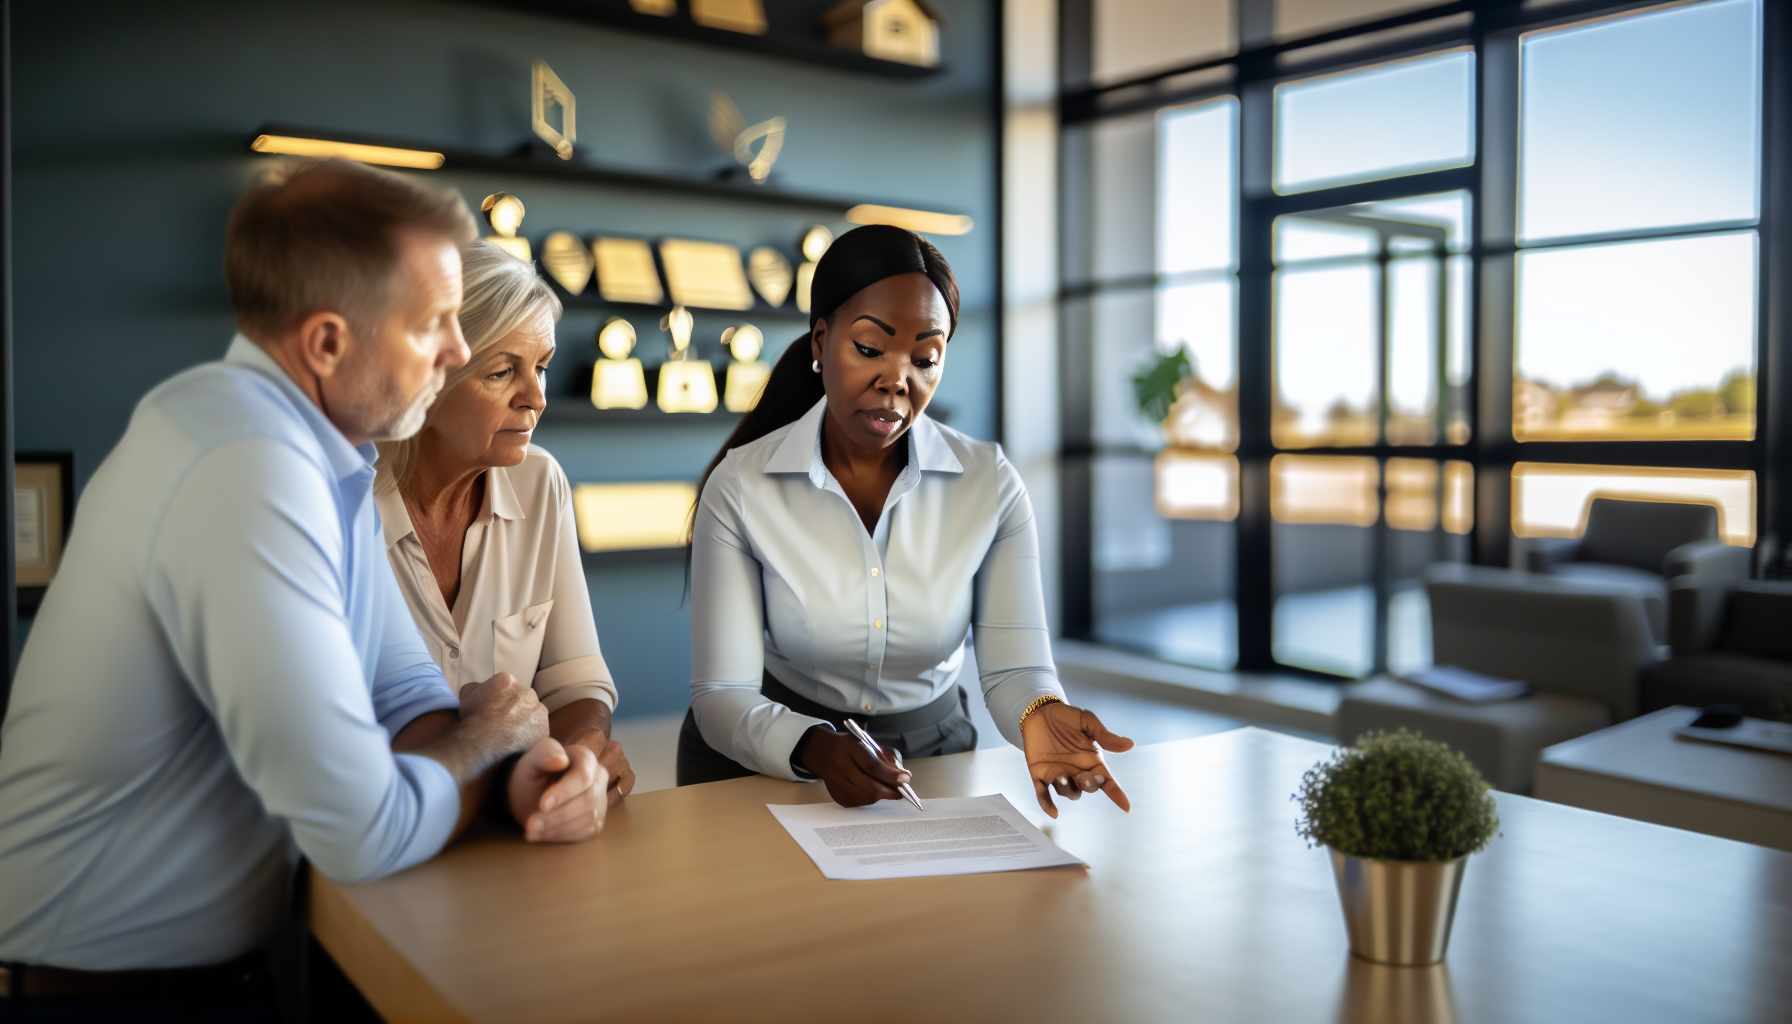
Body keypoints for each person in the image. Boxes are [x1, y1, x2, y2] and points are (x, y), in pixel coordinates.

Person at [0, 160, 606, 1022]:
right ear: (327, 343)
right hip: (98, 998)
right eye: (434, 322)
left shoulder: (332, 459)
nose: (458, 353)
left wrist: (519, 778)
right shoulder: (245, 464)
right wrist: (488, 743)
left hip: (209, 980)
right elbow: (363, 830)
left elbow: (406, 698)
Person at [682, 224, 1133, 818]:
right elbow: (723, 696)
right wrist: (814, 747)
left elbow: (1016, 665)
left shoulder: (989, 484)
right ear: (821, 342)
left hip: (934, 761)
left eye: (925, 358)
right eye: (870, 349)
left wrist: (1040, 712)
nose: (899, 379)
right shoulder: (742, 486)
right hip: (766, 759)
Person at [375, 241, 635, 805]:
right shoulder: (341, 504)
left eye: (541, 367)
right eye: (501, 372)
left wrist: (579, 759)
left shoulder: (541, 482)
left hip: (508, 826)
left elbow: (577, 682)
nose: (536, 398)